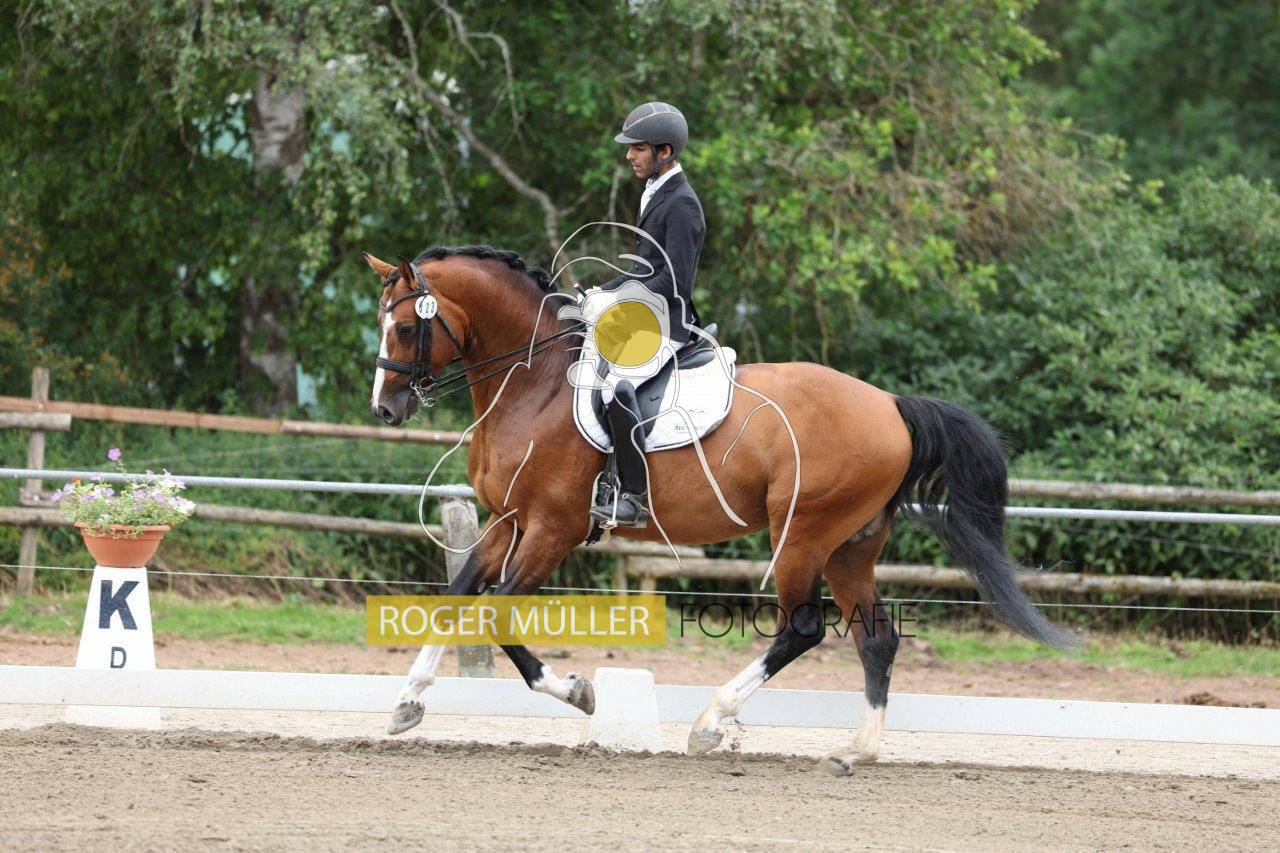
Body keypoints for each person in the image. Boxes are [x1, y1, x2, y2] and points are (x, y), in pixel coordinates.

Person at [588, 101, 706, 528]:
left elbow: (675, 282)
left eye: (637, 148)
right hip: (644, 316)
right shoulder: (655, 192)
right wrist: (601, 291)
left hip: (668, 324)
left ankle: (634, 498)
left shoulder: (682, 204)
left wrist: (621, 302)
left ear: (665, 152)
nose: (629, 156)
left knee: (614, 388)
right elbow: (644, 269)